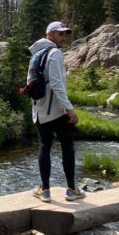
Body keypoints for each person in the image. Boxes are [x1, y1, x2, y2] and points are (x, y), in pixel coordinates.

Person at [29, 21, 85, 203]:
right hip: (58, 112)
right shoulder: (55, 53)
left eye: (65, 34)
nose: (64, 38)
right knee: (67, 147)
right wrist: (69, 109)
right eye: (60, 34)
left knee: (44, 147)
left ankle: (44, 191)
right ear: (50, 35)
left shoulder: (37, 54)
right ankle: (71, 189)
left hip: (40, 111)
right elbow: (56, 84)